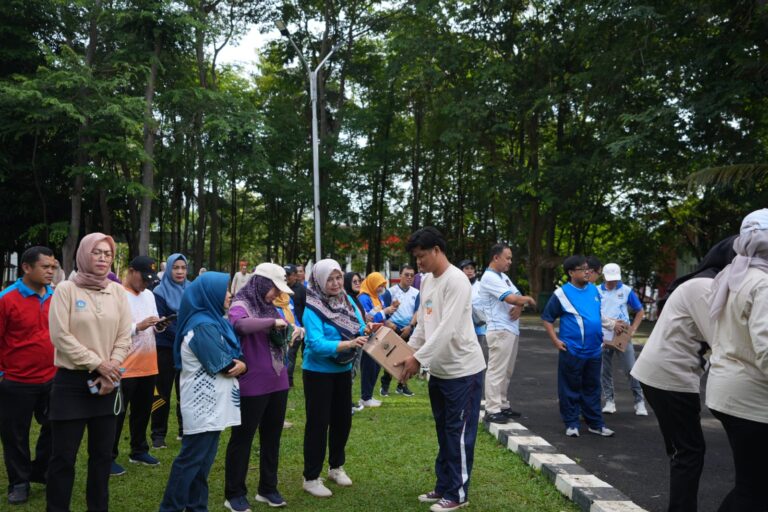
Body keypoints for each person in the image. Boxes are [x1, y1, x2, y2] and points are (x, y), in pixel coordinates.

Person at [631, 236, 736, 512]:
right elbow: (722, 340)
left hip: (664, 373)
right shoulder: (705, 287)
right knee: (688, 452)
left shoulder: (702, 283)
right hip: (671, 377)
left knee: (684, 450)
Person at [398, 227, 486, 512]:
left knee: (458, 433)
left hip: (464, 371)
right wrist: (408, 352)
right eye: (416, 257)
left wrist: (418, 359)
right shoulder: (426, 281)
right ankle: (444, 485)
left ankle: (458, 494)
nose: (418, 263)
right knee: (444, 431)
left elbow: (447, 328)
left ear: (437, 250)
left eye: (422, 256)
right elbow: (424, 325)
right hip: (440, 371)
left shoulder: (457, 280)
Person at [46, 233, 132, 512]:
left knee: (102, 457)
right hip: (71, 383)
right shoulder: (66, 290)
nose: (103, 258)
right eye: (97, 252)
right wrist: (98, 364)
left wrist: (110, 369)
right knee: (63, 458)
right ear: (84, 254)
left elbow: (124, 336)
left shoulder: (117, 292)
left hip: (107, 382)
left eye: (108, 253)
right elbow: (60, 336)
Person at [159, 272, 246, 512]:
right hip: (203, 404)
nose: (229, 294)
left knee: (202, 463)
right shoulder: (202, 326)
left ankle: (197, 507)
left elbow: (237, 356)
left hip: (213, 402)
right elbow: (223, 364)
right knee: (191, 461)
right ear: (209, 294)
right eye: (225, 290)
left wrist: (242, 363)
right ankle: (170, 508)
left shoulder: (214, 321)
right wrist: (241, 365)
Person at [706, 210, 768, 512]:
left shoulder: (733, 275)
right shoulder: (762, 283)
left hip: (727, 390)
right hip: (752, 399)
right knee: (755, 491)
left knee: (751, 486)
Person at [223, 264, 295, 511]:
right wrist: (272, 322)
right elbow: (240, 326)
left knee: (272, 438)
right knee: (242, 439)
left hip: (278, 380)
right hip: (252, 384)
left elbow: (279, 331)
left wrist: (292, 331)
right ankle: (234, 493)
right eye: (275, 288)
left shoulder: (270, 306)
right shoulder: (241, 304)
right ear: (262, 283)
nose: (277, 294)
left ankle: (268, 488)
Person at [301, 259, 367, 498]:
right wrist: (348, 344)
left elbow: (360, 326)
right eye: (329, 279)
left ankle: (336, 467)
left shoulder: (346, 300)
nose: (336, 283)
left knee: (342, 421)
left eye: (338, 277)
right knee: (318, 424)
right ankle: (311, 478)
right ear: (319, 281)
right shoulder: (312, 308)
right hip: (318, 372)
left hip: (342, 370)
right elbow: (316, 344)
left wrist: (368, 330)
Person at [541, 255, 625, 438]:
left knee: (593, 388)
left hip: (594, 350)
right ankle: (571, 423)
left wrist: (610, 326)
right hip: (572, 350)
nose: (587, 272)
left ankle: (596, 424)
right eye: (582, 269)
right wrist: (555, 340)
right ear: (571, 273)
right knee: (570, 387)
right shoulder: (561, 294)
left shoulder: (594, 290)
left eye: (588, 269)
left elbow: (597, 315)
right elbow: (547, 318)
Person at [0, 246, 56, 505]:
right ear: (26, 267)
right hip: (16, 381)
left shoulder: (56, 296)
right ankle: (19, 482)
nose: (51, 271)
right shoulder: (6, 299)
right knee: (15, 435)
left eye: (53, 267)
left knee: (55, 426)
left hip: (52, 377)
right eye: (45, 267)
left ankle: (40, 470)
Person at [111, 256, 162, 476]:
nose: (146, 284)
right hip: (124, 365)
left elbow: (154, 322)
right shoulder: (117, 294)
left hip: (148, 363)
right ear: (131, 271)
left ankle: (139, 449)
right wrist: (137, 327)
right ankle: (108, 455)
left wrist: (159, 325)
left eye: (150, 280)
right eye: (144, 278)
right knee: (117, 414)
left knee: (142, 411)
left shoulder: (149, 295)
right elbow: (111, 328)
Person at [477, 244, 536, 423]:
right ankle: (492, 409)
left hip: (510, 328)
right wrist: (526, 300)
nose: (510, 262)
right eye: (507, 258)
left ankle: (502, 404)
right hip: (499, 329)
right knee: (497, 370)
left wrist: (519, 303)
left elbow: (517, 296)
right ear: (496, 258)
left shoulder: (503, 276)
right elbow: (512, 298)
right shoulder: (489, 277)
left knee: (507, 371)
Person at [597, 263, 648, 416]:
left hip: (622, 335)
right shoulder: (596, 291)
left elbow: (640, 311)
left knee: (631, 369)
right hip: (603, 334)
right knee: (604, 371)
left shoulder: (626, 290)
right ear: (604, 276)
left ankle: (639, 401)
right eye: (610, 279)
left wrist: (633, 330)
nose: (612, 282)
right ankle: (609, 401)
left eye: (615, 279)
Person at [151, 253, 190, 448]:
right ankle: (158, 434)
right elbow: (161, 320)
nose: (180, 271)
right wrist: (184, 335)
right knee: (162, 391)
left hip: (188, 348)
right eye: (175, 268)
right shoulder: (159, 291)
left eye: (183, 268)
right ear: (168, 269)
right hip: (165, 347)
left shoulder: (192, 289)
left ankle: (185, 430)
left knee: (186, 390)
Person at [357, 272, 398, 408]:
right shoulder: (364, 298)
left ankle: (368, 395)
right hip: (368, 336)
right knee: (369, 367)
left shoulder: (377, 297)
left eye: (383, 285)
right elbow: (366, 319)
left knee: (376, 367)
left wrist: (390, 311)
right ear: (372, 283)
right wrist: (384, 312)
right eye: (379, 285)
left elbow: (381, 316)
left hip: (378, 335)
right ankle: (365, 397)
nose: (381, 288)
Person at [380, 264, 419, 397]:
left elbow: (417, 311)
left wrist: (410, 326)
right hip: (393, 329)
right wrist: (389, 324)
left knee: (407, 359)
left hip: (408, 329)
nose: (409, 277)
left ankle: (402, 386)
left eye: (412, 275)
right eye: (406, 275)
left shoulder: (416, 293)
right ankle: (385, 385)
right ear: (400, 275)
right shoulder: (390, 292)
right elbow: (383, 310)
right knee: (390, 358)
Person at [284, 264, 306, 388]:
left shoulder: (302, 290)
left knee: (306, 354)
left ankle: (308, 378)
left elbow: (307, 308)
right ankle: (289, 381)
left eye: (288, 274)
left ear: (294, 276)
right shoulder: (281, 288)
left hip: (303, 327)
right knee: (290, 354)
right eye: (284, 274)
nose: (286, 277)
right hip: (290, 328)